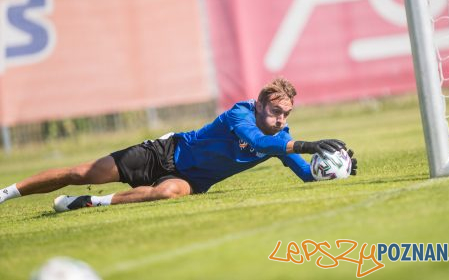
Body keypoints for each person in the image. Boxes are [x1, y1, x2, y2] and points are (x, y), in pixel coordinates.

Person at [0, 78, 357, 212]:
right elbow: (254, 140)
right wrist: (309, 145)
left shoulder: (282, 137)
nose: (281, 119)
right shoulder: (240, 114)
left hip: (192, 179)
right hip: (165, 152)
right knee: (80, 172)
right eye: (276, 111)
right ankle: (5, 193)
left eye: (286, 114)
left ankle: (89, 202)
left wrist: (336, 170)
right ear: (260, 103)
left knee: (169, 193)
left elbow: (306, 175)